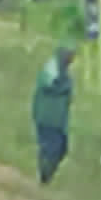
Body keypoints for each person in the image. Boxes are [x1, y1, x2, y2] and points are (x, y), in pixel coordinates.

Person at [32, 46, 77, 185]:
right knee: (51, 149)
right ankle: (44, 176)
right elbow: (48, 85)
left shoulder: (61, 71)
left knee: (61, 148)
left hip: (57, 120)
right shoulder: (52, 69)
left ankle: (45, 176)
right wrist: (65, 87)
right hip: (48, 117)